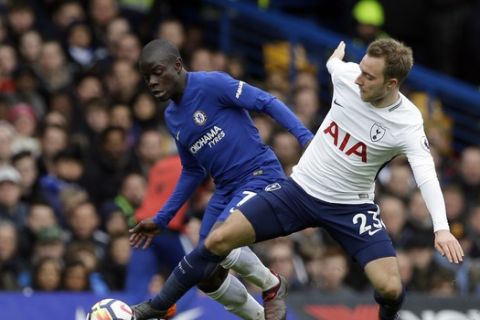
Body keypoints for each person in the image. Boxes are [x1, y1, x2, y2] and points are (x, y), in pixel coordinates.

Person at [130, 38, 465, 320]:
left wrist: (441, 227)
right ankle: (156, 307)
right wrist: (335, 61)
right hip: (299, 191)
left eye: (369, 77)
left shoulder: (407, 123)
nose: (359, 79)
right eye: (360, 70)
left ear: (391, 84)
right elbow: (337, 66)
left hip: (350, 207)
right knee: (216, 243)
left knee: (390, 288)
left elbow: (425, 173)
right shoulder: (347, 76)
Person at [130, 39, 313, 320]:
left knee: (219, 240)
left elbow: (266, 102)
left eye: (157, 72)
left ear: (177, 65)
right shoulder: (172, 117)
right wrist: (163, 217)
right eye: (146, 77)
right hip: (226, 189)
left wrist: (305, 138)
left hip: (258, 175)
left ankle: (272, 284)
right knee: (206, 273)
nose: (152, 82)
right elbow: (193, 170)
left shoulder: (211, 84)